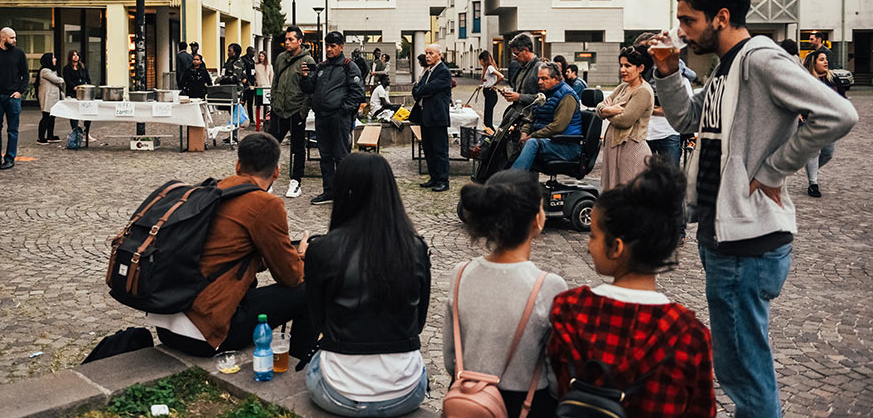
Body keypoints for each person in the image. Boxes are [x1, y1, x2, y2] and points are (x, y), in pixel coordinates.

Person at [652, 0, 857, 418]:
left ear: (720, 17)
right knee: (739, 366)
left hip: (746, 243)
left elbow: (838, 114)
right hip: (722, 232)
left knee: (743, 372)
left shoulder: (761, 58)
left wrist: (773, 169)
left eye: (688, 20)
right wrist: (667, 71)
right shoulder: (725, 65)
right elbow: (689, 123)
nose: (681, 30)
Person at [548, 157, 715, 416]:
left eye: (593, 235)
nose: (588, 245)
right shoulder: (689, 334)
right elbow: (701, 411)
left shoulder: (570, 309)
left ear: (616, 247)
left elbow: (558, 386)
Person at [147, 133, 318, 362]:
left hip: (166, 325)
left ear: (237, 166)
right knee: (314, 289)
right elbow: (290, 277)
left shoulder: (210, 191)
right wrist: (302, 256)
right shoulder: (265, 204)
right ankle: (300, 362)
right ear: (276, 172)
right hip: (206, 334)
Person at [305, 153, 431, 416]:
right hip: (405, 391)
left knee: (314, 363)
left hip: (338, 390)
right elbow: (418, 323)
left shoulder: (323, 250)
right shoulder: (415, 249)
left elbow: (319, 321)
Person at [445, 170, 568, 417]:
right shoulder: (549, 286)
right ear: (538, 219)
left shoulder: (460, 274)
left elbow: (451, 360)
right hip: (527, 403)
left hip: (468, 401)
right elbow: (557, 373)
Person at [300, 31, 364, 205]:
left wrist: (343, 110)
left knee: (341, 156)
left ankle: (345, 192)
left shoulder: (349, 66)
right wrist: (304, 77)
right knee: (325, 156)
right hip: (322, 118)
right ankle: (329, 191)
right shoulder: (322, 66)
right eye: (327, 46)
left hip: (338, 118)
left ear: (341, 46)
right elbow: (309, 89)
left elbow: (358, 92)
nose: (329, 49)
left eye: (332, 46)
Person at [595, 46, 654, 190]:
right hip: (615, 148)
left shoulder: (643, 91)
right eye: (621, 65)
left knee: (628, 197)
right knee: (614, 196)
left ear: (640, 68)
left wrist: (607, 113)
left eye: (628, 66)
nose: (622, 69)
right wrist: (609, 109)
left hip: (631, 149)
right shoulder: (623, 87)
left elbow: (625, 120)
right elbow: (599, 107)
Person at [269, 27, 317, 200]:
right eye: (286, 39)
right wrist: (273, 103)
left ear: (300, 41)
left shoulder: (308, 60)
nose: (287, 42)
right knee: (271, 146)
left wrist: (303, 111)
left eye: (291, 39)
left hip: (296, 111)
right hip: (279, 110)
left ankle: (296, 181)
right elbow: (275, 82)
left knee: (298, 148)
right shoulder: (281, 58)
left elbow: (310, 89)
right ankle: (267, 180)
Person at [510, 63, 582, 171]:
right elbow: (531, 117)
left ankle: (510, 181)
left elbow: (558, 126)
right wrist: (524, 134)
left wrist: (532, 136)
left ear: (556, 79)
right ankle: (507, 178)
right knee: (512, 140)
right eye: (539, 78)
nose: (539, 82)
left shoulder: (567, 96)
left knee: (532, 143)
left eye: (544, 79)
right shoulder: (545, 94)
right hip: (548, 141)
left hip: (566, 146)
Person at [632, 33, 690, 167]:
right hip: (642, 134)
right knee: (642, 176)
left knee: (670, 178)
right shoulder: (636, 79)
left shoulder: (677, 77)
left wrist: (647, 109)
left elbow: (682, 109)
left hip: (667, 132)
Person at [802, 50, 849, 198]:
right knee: (814, 152)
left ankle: (812, 170)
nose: (826, 62)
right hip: (811, 122)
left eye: (826, 59)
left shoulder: (833, 79)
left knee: (828, 153)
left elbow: (843, 98)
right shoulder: (806, 81)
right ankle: (813, 184)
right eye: (822, 59)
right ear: (813, 63)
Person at [0, 27, 30, 170]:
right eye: (12, 38)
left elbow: (26, 75)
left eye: (15, 37)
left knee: (12, 129)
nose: (14, 40)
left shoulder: (19, 53)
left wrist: (20, 92)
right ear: (3, 38)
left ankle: (10, 158)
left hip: (12, 96)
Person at [412, 43, 451, 192]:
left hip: (437, 116)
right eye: (426, 53)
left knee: (440, 150)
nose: (427, 56)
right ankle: (434, 177)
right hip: (425, 115)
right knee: (428, 149)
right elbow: (416, 89)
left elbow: (428, 88)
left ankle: (443, 180)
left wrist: (421, 90)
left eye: (431, 53)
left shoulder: (443, 71)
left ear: (439, 55)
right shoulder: (428, 71)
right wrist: (421, 90)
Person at [501, 33, 542, 124]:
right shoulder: (522, 66)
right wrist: (510, 93)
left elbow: (543, 97)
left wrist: (519, 97)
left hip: (530, 119)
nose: (514, 58)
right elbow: (520, 89)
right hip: (518, 116)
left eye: (516, 54)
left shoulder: (539, 68)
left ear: (526, 50)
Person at [62, 49, 95, 142]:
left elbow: (88, 78)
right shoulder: (67, 68)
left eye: (77, 55)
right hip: (73, 93)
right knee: (74, 113)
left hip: (85, 93)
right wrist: (75, 87)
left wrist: (88, 87)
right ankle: (75, 132)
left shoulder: (83, 67)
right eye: (73, 55)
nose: (75, 57)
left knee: (88, 112)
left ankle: (86, 132)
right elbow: (68, 81)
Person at [35, 53, 63, 144]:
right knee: (46, 116)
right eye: (53, 58)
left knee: (52, 117)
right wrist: (60, 79)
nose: (55, 59)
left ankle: (50, 135)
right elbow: (57, 80)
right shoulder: (45, 71)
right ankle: (41, 137)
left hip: (53, 97)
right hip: (47, 97)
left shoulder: (52, 71)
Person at [478, 50, 504, 131]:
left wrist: (494, 85)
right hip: (488, 93)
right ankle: (490, 133)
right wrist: (482, 86)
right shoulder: (487, 68)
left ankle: (491, 134)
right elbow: (488, 81)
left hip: (490, 93)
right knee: (487, 117)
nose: (480, 63)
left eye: (480, 61)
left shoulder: (490, 67)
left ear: (483, 60)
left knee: (488, 119)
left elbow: (501, 76)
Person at [255, 50, 274, 122]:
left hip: (267, 87)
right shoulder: (256, 66)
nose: (261, 58)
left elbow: (271, 77)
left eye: (262, 56)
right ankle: (258, 120)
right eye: (260, 56)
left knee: (267, 106)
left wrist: (271, 87)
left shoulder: (269, 66)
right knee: (258, 105)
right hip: (259, 87)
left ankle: (267, 119)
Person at [241, 46, 257, 126]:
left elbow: (253, 72)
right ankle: (239, 119)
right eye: (253, 52)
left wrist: (254, 80)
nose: (254, 54)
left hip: (251, 83)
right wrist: (245, 80)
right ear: (248, 51)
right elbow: (242, 71)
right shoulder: (243, 59)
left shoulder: (252, 61)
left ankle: (251, 119)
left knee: (250, 102)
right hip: (244, 83)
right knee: (242, 103)